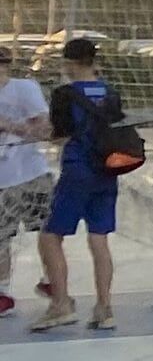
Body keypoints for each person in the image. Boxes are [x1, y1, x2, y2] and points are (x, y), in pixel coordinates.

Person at [37, 32, 130, 331]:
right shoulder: (111, 92)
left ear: (71, 63)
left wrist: (40, 134)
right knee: (99, 239)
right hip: (107, 171)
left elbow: (60, 134)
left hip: (77, 170)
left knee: (50, 236)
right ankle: (104, 307)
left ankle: (61, 303)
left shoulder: (65, 95)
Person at [0, 43, 53, 318]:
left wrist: (9, 125)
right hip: (2, 180)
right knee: (1, 236)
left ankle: (52, 279)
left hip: (31, 173)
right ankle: (3, 291)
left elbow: (43, 129)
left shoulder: (24, 89)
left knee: (46, 229)